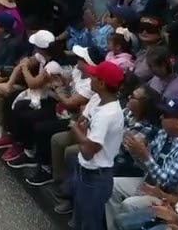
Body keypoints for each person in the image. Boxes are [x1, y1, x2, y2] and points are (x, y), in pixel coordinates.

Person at [69, 60, 125, 229]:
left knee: (90, 222)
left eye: (94, 76)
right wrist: (82, 134)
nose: (90, 77)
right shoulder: (97, 99)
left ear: (101, 83)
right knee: (79, 219)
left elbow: (88, 150)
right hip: (84, 169)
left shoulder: (108, 114)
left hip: (96, 176)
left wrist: (77, 131)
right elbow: (80, 121)